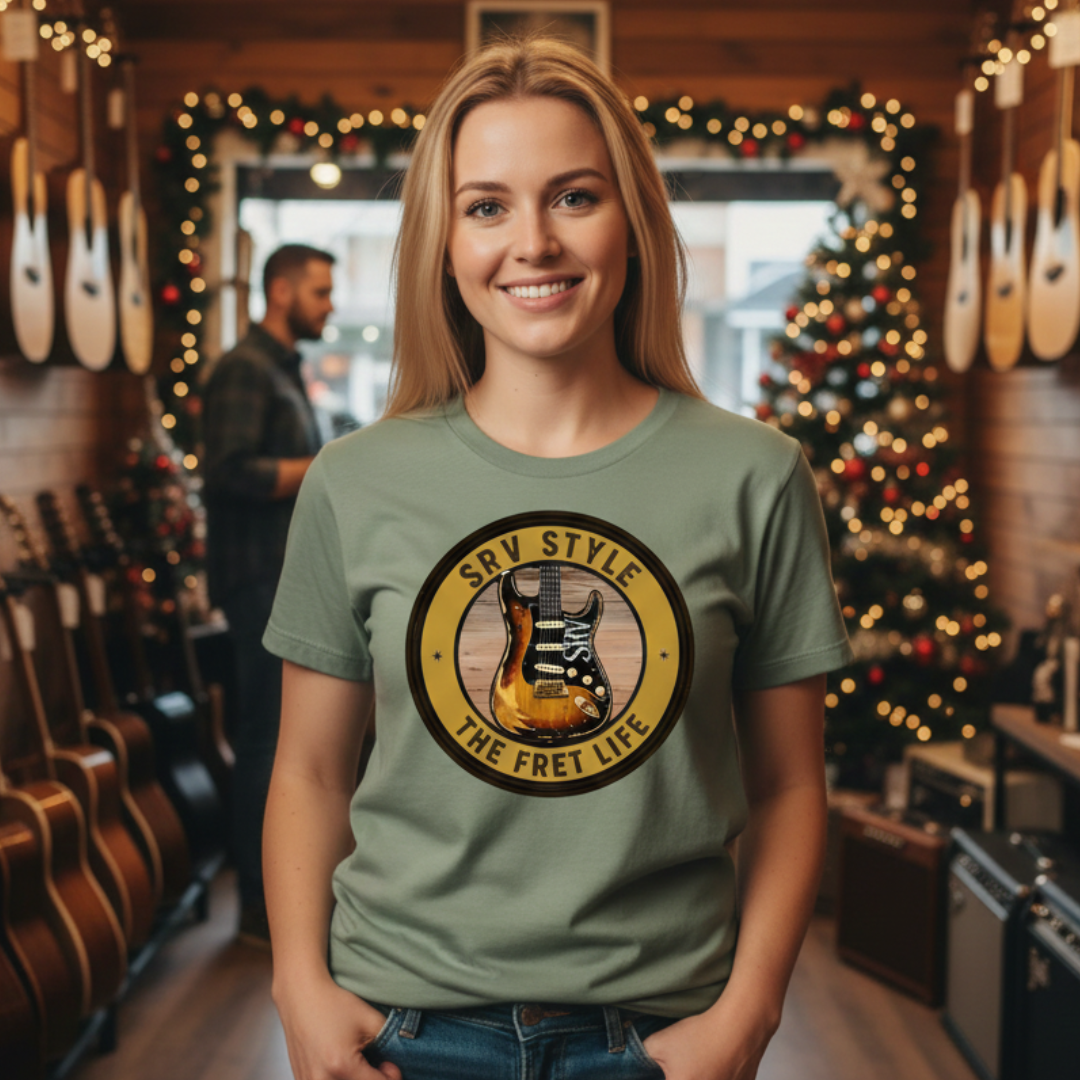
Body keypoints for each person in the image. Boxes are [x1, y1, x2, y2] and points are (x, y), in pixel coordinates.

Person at [262, 37, 853, 1080]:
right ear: (444, 242)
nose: (531, 242)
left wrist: (749, 1016)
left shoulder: (756, 476)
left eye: (573, 196)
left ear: (633, 221)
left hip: (662, 1039)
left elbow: (789, 784)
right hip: (401, 1030)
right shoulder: (352, 483)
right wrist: (299, 992)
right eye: (486, 206)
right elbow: (308, 771)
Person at [203, 243, 334, 945]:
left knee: (278, 738)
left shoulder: (283, 370)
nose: (330, 305)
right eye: (320, 291)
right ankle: (261, 908)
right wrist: (325, 469)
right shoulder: (246, 370)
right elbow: (226, 472)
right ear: (280, 293)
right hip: (255, 576)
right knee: (265, 741)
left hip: (280, 578)